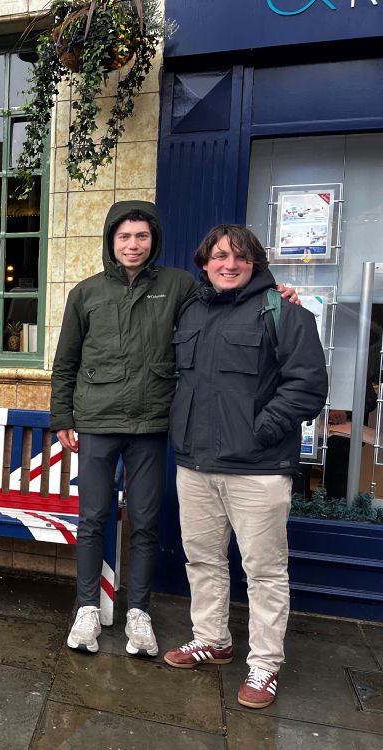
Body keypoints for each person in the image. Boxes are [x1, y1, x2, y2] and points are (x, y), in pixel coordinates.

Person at [51, 201, 297, 658]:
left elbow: (225, 308)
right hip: (97, 420)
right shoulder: (85, 294)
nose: (133, 245)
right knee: (92, 519)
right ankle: (86, 607)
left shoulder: (180, 285)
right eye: (124, 237)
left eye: (141, 236)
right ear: (110, 240)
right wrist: (62, 417)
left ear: (154, 240)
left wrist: (274, 297)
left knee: (146, 521)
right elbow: (65, 363)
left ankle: (139, 613)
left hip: (153, 422)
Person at [162, 225, 328, 710]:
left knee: (264, 571)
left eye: (239, 257)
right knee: (204, 560)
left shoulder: (284, 312)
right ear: (205, 262)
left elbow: (307, 387)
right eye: (218, 256)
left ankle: (265, 664)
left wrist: (260, 431)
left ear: (255, 262)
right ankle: (212, 639)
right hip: (195, 465)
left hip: (257, 469)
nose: (228, 264)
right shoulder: (191, 309)